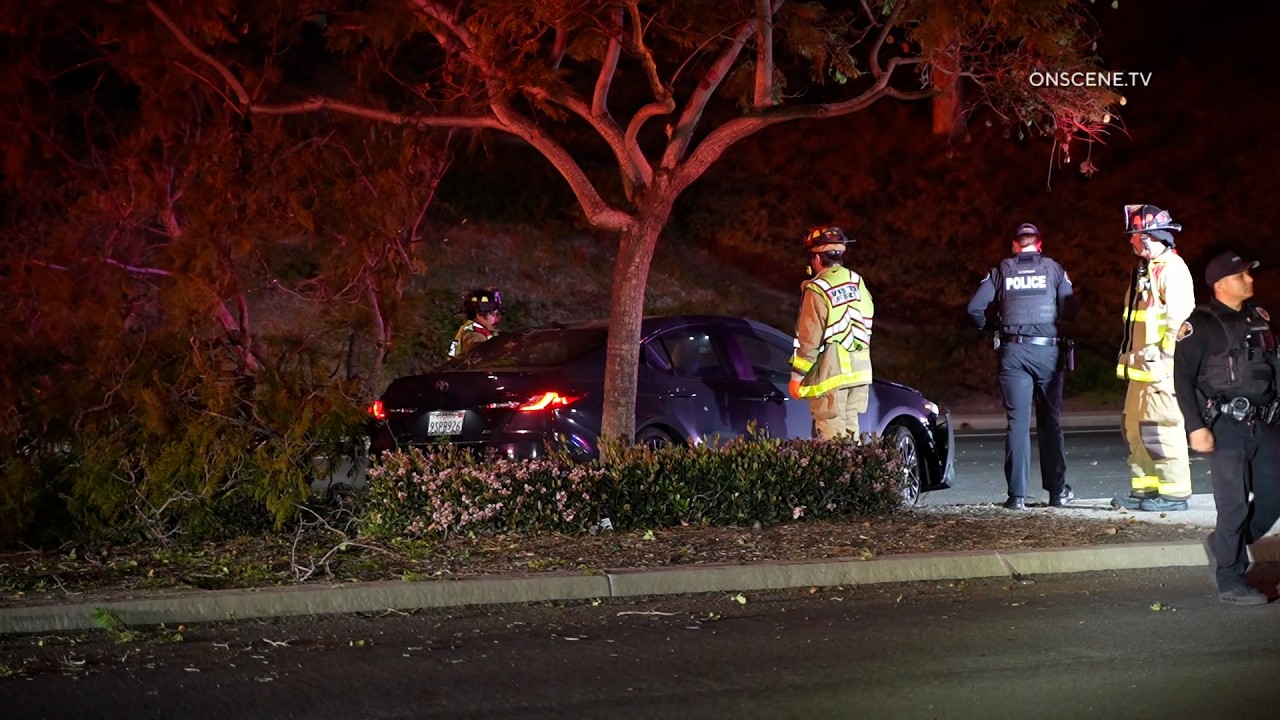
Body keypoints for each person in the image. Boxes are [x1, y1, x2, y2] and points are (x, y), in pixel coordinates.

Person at [1173, 251, 1280, 605]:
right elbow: (1183, 379)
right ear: (1220, 285)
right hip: (1225, 425)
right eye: (1241, 276)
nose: (1250, 279)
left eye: (1250, 273)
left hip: (1265, 422)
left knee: (1273, 496)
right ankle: (1231, 581)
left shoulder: (1260, 318)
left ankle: (1222, 545)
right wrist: (1195, 426)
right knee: (1233, 504)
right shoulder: (1199, 324)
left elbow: (1274, 368)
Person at [967, 223, 1076, 510]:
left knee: (1017, 423)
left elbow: (974, 308)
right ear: (1039, 245)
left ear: (1015, 245)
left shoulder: (1002, 270)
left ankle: (1016, 497)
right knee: (1050, 421)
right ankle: (1056, 493)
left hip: (1013, 352)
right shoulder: (1053, 269)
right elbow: (1070, 309)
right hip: (1048, 354)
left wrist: (990, 326)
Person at [1114, 205, 1196, 512]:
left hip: (1160, 373)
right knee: (1136, 432)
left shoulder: (1171, 270)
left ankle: (1174, 494)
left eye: (1135, 236)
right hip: (1142, 372)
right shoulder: (1147, 270)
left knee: (1161, 430)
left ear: (1148, 237)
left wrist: (1164, 362)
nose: (1132, 242)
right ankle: (1146, 490)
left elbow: (1179, 324)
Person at [788, 226, 874, 441]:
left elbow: (809, 339)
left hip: (832, 376)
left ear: (817, 258)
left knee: (831, 440)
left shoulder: (817, 289)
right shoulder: (857, 281)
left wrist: (796, 377)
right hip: (860, 374)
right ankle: (857, 475)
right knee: (851, 436)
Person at [448, 288, 503, 358]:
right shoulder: (474, 337)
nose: (497, 319)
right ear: (479, 315)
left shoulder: (473, 330)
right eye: (493, 314)